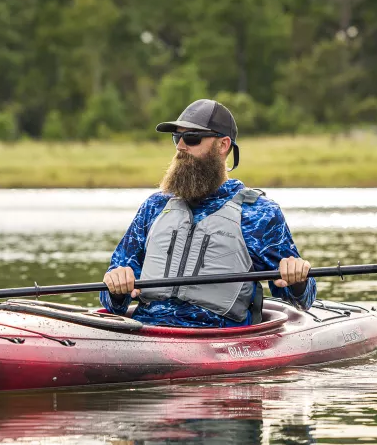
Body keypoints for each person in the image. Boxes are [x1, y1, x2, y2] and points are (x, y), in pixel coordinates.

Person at [101, 99, 315, 327]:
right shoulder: (154, 206)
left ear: (223, 145)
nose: (180, 147)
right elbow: (112, 303)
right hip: (148, 331)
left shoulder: (257, 213)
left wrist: (298, 279)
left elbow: (302, 299)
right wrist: (115, 286)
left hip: (216, 338)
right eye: (177, 138)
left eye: (192, 138)